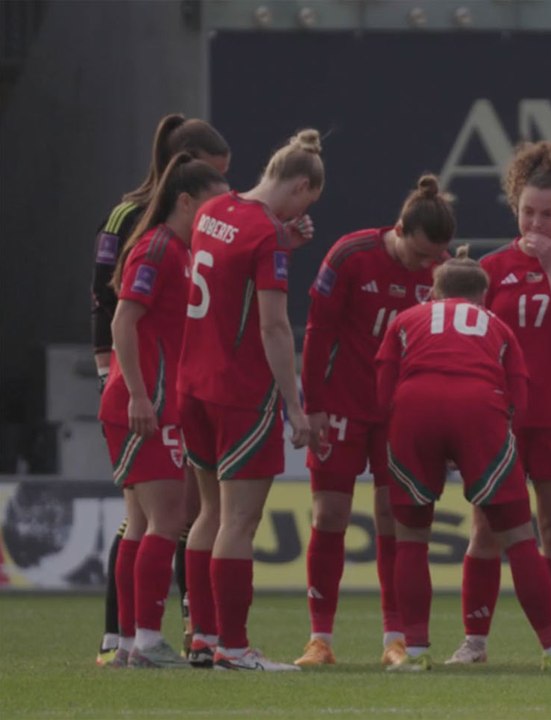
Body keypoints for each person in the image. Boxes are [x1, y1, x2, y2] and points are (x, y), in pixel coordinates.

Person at [375, 248, 551, 673]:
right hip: (480, 409)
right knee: (519, 538)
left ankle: (415, 651)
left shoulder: (407, 319)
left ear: (433, 293)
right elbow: (520, 393)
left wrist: (403, 429)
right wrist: (495, 439)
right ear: (482, 296)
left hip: (414, 409)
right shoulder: (497, 324)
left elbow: (384, 381)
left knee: (412, 540)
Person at [447, 141, 551, 664]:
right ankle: (475, 641)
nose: (538, 223)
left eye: (549, 214)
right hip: (501, 419)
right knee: (486, 527)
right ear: (515, 205)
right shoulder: (490, 266)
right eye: (529, 212)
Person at [294, 174, 454, 668]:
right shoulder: (349, 255)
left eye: (436, 257)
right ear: (400, 228)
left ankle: (396, 640)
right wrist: (313, 403)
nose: (429, 266)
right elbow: (318, 332)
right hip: (340, 405)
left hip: (397, 414)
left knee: (394, 519)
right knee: (329, 517)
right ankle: (320, 640)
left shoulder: (441, 270)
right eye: (421, 255)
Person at [178, 129, 324, 671]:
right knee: (240, 521)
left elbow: (229, 272)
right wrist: (294, 403)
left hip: (192, 385)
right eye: (310, 199)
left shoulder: (215, 209)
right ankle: (234, 649)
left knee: (209, 513)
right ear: (302, 187)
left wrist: (282, 241)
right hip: (240, 394)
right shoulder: (265, 235)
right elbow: (273, 327)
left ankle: (201, 634)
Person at [91, 114, 230, 666]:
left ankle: (127, 641)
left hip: (151, 401)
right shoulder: (155, 247)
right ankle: (146, 638)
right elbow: (123, 319)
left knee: (147, 523)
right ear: (189, 200)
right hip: (143, 405)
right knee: (167, 522)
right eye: (215, 208)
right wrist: (142, 396)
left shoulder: (176, 249)